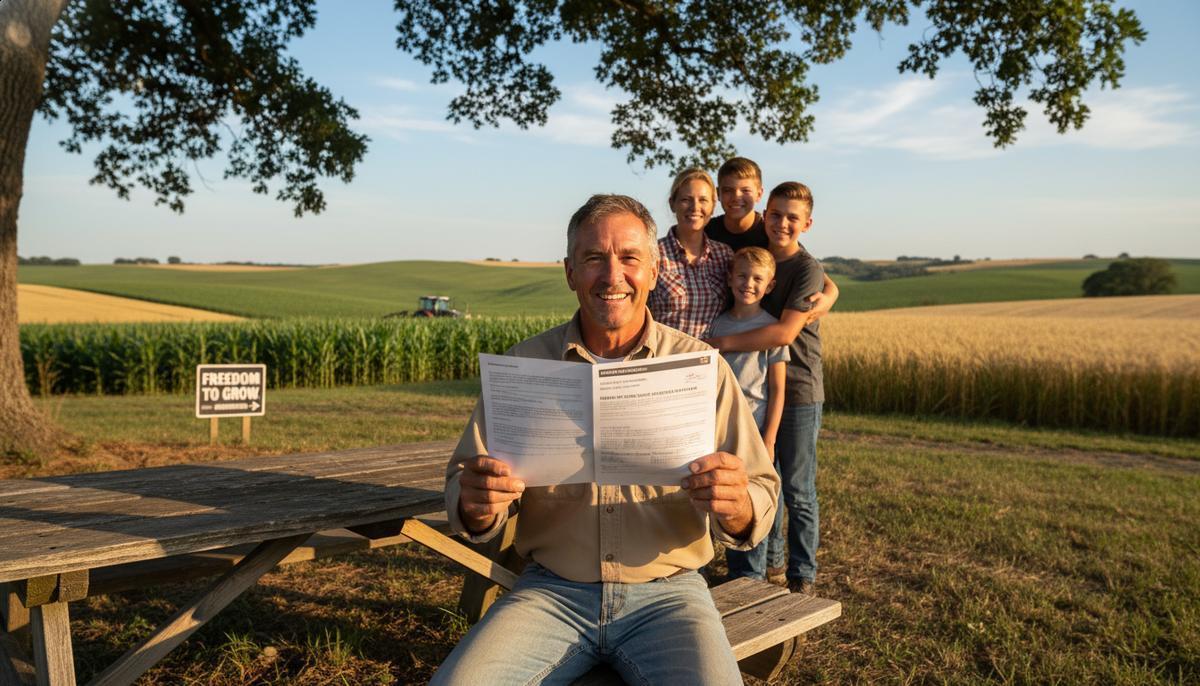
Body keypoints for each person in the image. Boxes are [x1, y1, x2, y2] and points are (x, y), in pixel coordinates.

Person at [432, 194, 781, 685]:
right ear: (569, 272)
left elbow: (762, 489)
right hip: (551, 592)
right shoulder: (523, 368)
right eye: (594, 257)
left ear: (654, 270)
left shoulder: (701, 369)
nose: (613, 275)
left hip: (670, 594)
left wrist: (738, 505)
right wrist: (476, 504)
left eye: (629, 258)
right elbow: (463, 486)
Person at [706, 182, 825, 596]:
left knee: (797, 488)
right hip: (751, 394)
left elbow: (784, 333)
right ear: (763, 213)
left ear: (807, 224)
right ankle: (767, 566)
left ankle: (802, 573)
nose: (782, 223)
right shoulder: (755, 253)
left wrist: (717, 344)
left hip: (799, 386)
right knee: (762, 483)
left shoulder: (806, 268)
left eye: (793, 218)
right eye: (775, 214)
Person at [710, 247, 790, 584]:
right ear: (729, 278)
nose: (748, 283)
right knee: (729, 499)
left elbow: (778, 389)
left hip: (755, 431)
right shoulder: (717, 324)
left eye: (758, 278)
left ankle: (751, 578)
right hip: (722, 430)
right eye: (742, 275)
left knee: (753, 498)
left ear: (769, 286)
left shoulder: (771, 329)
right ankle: (734, 572)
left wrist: (769, 439)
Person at [648, 168, 733, 338]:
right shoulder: (652, 254)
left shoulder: (724, 256)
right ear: (672, 203)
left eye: (703, 200)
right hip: (664, 352)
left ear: (713, 206)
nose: (695, 207)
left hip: (711, 353)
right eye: (686, 200)